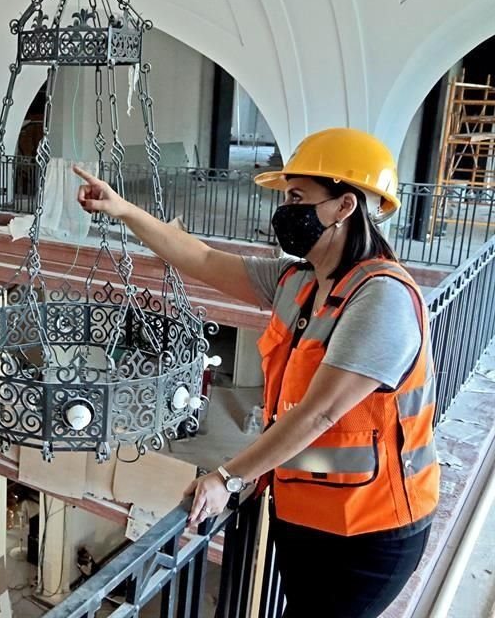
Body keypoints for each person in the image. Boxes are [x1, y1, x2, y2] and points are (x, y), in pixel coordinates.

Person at [73, 128, 439, 618]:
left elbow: (320, 413)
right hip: (304, 510)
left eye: (297, 196)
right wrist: (123, 211)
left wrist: (228, 476)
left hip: (371, 530)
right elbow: (199, 258)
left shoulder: (381, 297)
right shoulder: (298, 281)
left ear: (343, 206)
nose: (285, 210)